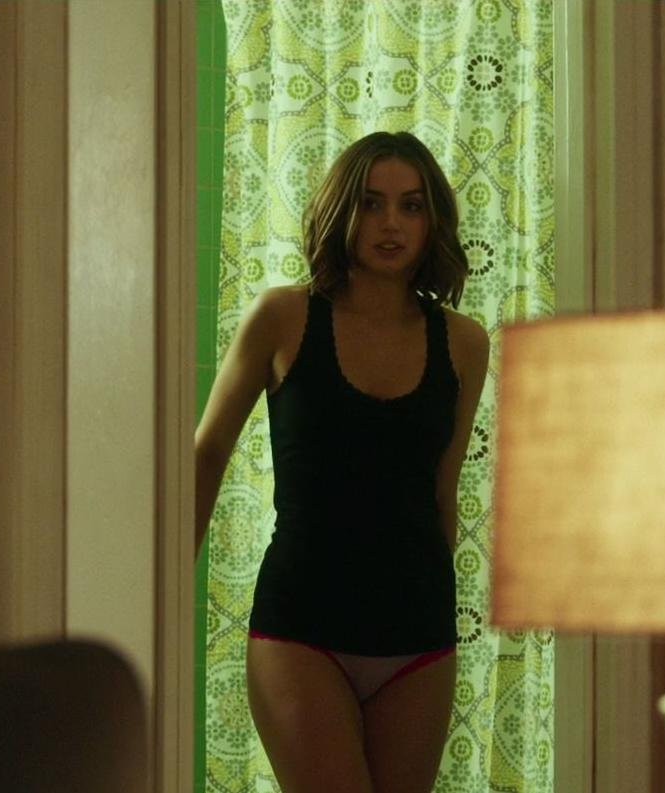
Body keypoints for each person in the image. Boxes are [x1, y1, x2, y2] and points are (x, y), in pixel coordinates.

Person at [193, 130, 490, 793]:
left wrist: (436, 610)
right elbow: (206, 451)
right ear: (341, 210)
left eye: (411, 205)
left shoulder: (465, 343)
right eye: (372, 203)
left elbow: (442, 491)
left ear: (433, 219)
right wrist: (159, 590)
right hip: (302, 627)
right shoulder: (282, 317)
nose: (391, 223)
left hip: (417, 635)